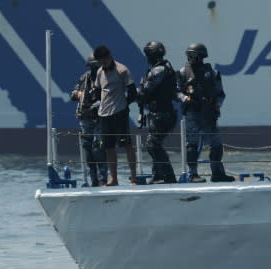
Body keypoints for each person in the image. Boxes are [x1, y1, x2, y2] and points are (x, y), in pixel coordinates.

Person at [176, 43, 235, 182]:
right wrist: (185, 99)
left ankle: (217, 173)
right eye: (191, 55)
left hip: (209, 113)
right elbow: (176, 91)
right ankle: (193, 174)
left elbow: (220, 93)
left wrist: (217, 105)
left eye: (195, 55)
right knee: (192, 144)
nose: (192, 58)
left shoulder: (212, 72)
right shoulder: (183, 72)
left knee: (216, 144)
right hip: (192, 112)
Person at [92, 45, 139, 186]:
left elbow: (132, 92)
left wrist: (124, 104)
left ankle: (133, 177)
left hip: (119, 112)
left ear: (109, 56)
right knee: (109, 147)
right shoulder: (100, 72)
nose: (103, 64)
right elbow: (98, 91)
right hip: (104, 114)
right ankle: (114, 178)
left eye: (104, 60)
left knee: (127, 144)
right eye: (100, 62)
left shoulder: (122, 70)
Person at [138, 41, 178, 184]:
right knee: (155, 142)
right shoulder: (162, 68)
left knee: (152, 143)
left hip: (163, 113)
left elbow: (146, 91)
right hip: (158, 113)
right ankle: (158, 174)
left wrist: (135, 93)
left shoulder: (158, 70)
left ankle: (168, 175)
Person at [70, 55, 108, 187]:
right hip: (86, 119)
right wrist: (79, 94)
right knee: (88, 149)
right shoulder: (85, 78)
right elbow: (72, 93)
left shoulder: (105, 78)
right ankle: (94, 180)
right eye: (92, 67)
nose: (94, 70)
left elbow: (108, 98)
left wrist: (93, 106)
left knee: (98, 147)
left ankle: (103, 178)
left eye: (96, 67)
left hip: (99, 118)